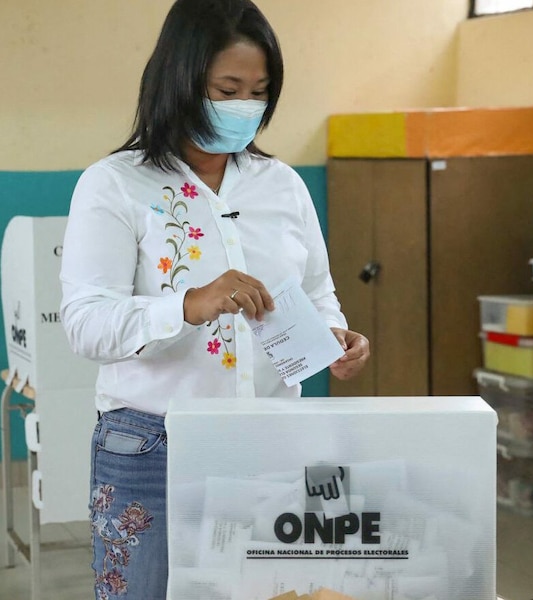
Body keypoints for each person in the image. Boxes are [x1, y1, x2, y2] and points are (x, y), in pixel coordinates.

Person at [59, 1, 369, 598]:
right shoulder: (116, 184)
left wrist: (334, 337)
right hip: (151, 446)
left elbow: (316, 290)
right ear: (180, 79)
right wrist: (187, 304)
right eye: (227, 89)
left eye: (259, 91)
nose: (245, 107)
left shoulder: (282, 185)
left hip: (270, 440)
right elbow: (85, 324)